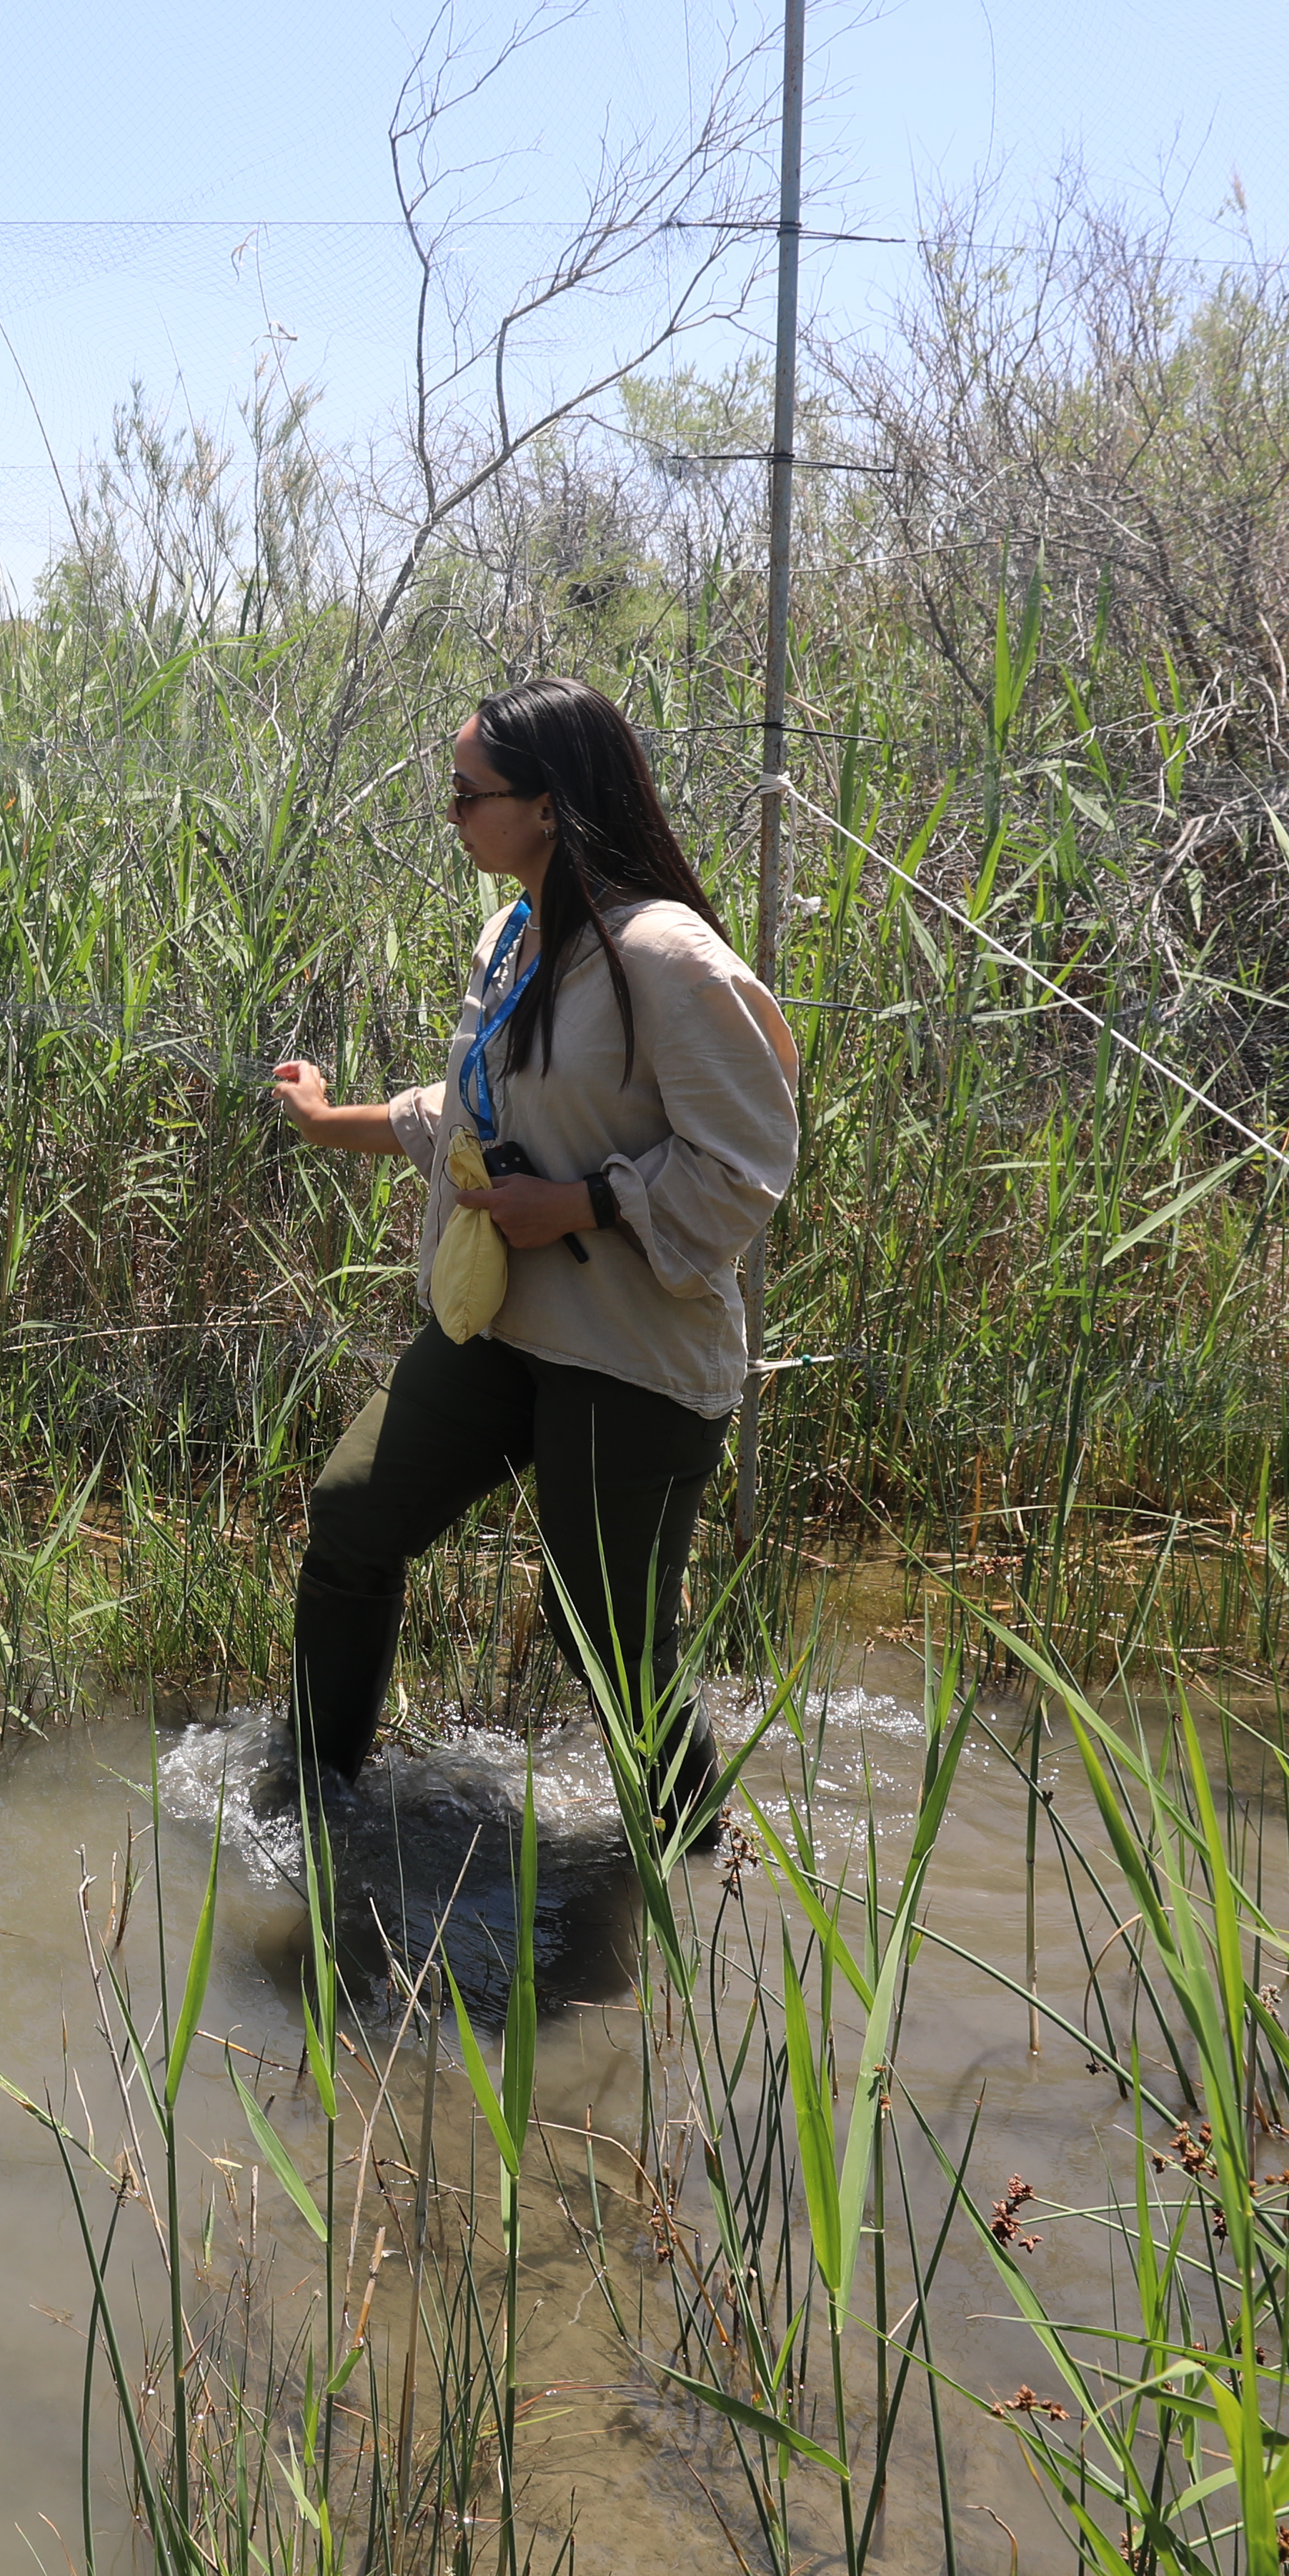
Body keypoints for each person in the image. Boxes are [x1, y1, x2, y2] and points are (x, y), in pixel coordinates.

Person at [262, 676, 800, 1848]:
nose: (450, 815)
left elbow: (751, 1165)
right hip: (503, 1327)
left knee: (602, 1628)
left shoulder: (667, 958)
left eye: (468, 795)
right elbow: (471, 1110)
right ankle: (311, 1803)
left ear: (547, 806)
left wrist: (586, 1204)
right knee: (354, 1516)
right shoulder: (516, 932)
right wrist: (329, 1120)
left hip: (629, 1346)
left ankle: (701, 1869)